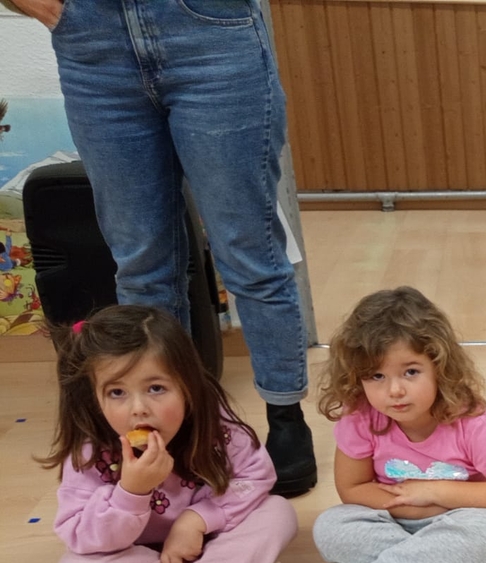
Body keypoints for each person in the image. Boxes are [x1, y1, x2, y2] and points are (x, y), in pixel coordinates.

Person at [15, 0, 317, 496]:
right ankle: (177, 429)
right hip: (92, 40)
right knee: (141, 267)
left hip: (208, 28)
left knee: (250, 254)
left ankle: (285, 418)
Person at [43, 305, 297, 563]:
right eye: (117, 393)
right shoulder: (90, 452)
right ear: (95, 398)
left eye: (156, 388)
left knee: (278, 512)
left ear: (187, 386)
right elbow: (79, 534)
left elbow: (254, 477)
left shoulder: (214, 426)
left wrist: (197, 519)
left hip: (209, 541)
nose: (138, 409)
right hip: (143, 559)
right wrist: (130, 493)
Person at [280, 287, 486, 563]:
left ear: (439, 366)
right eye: (377, 376)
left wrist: (434, 493)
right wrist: (409, 506)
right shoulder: (361, 418)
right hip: (393, 520)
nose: (394, 390)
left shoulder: (477, 423)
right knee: (330, 527)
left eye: (410, 372)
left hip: (461, 520)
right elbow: (352, 489)